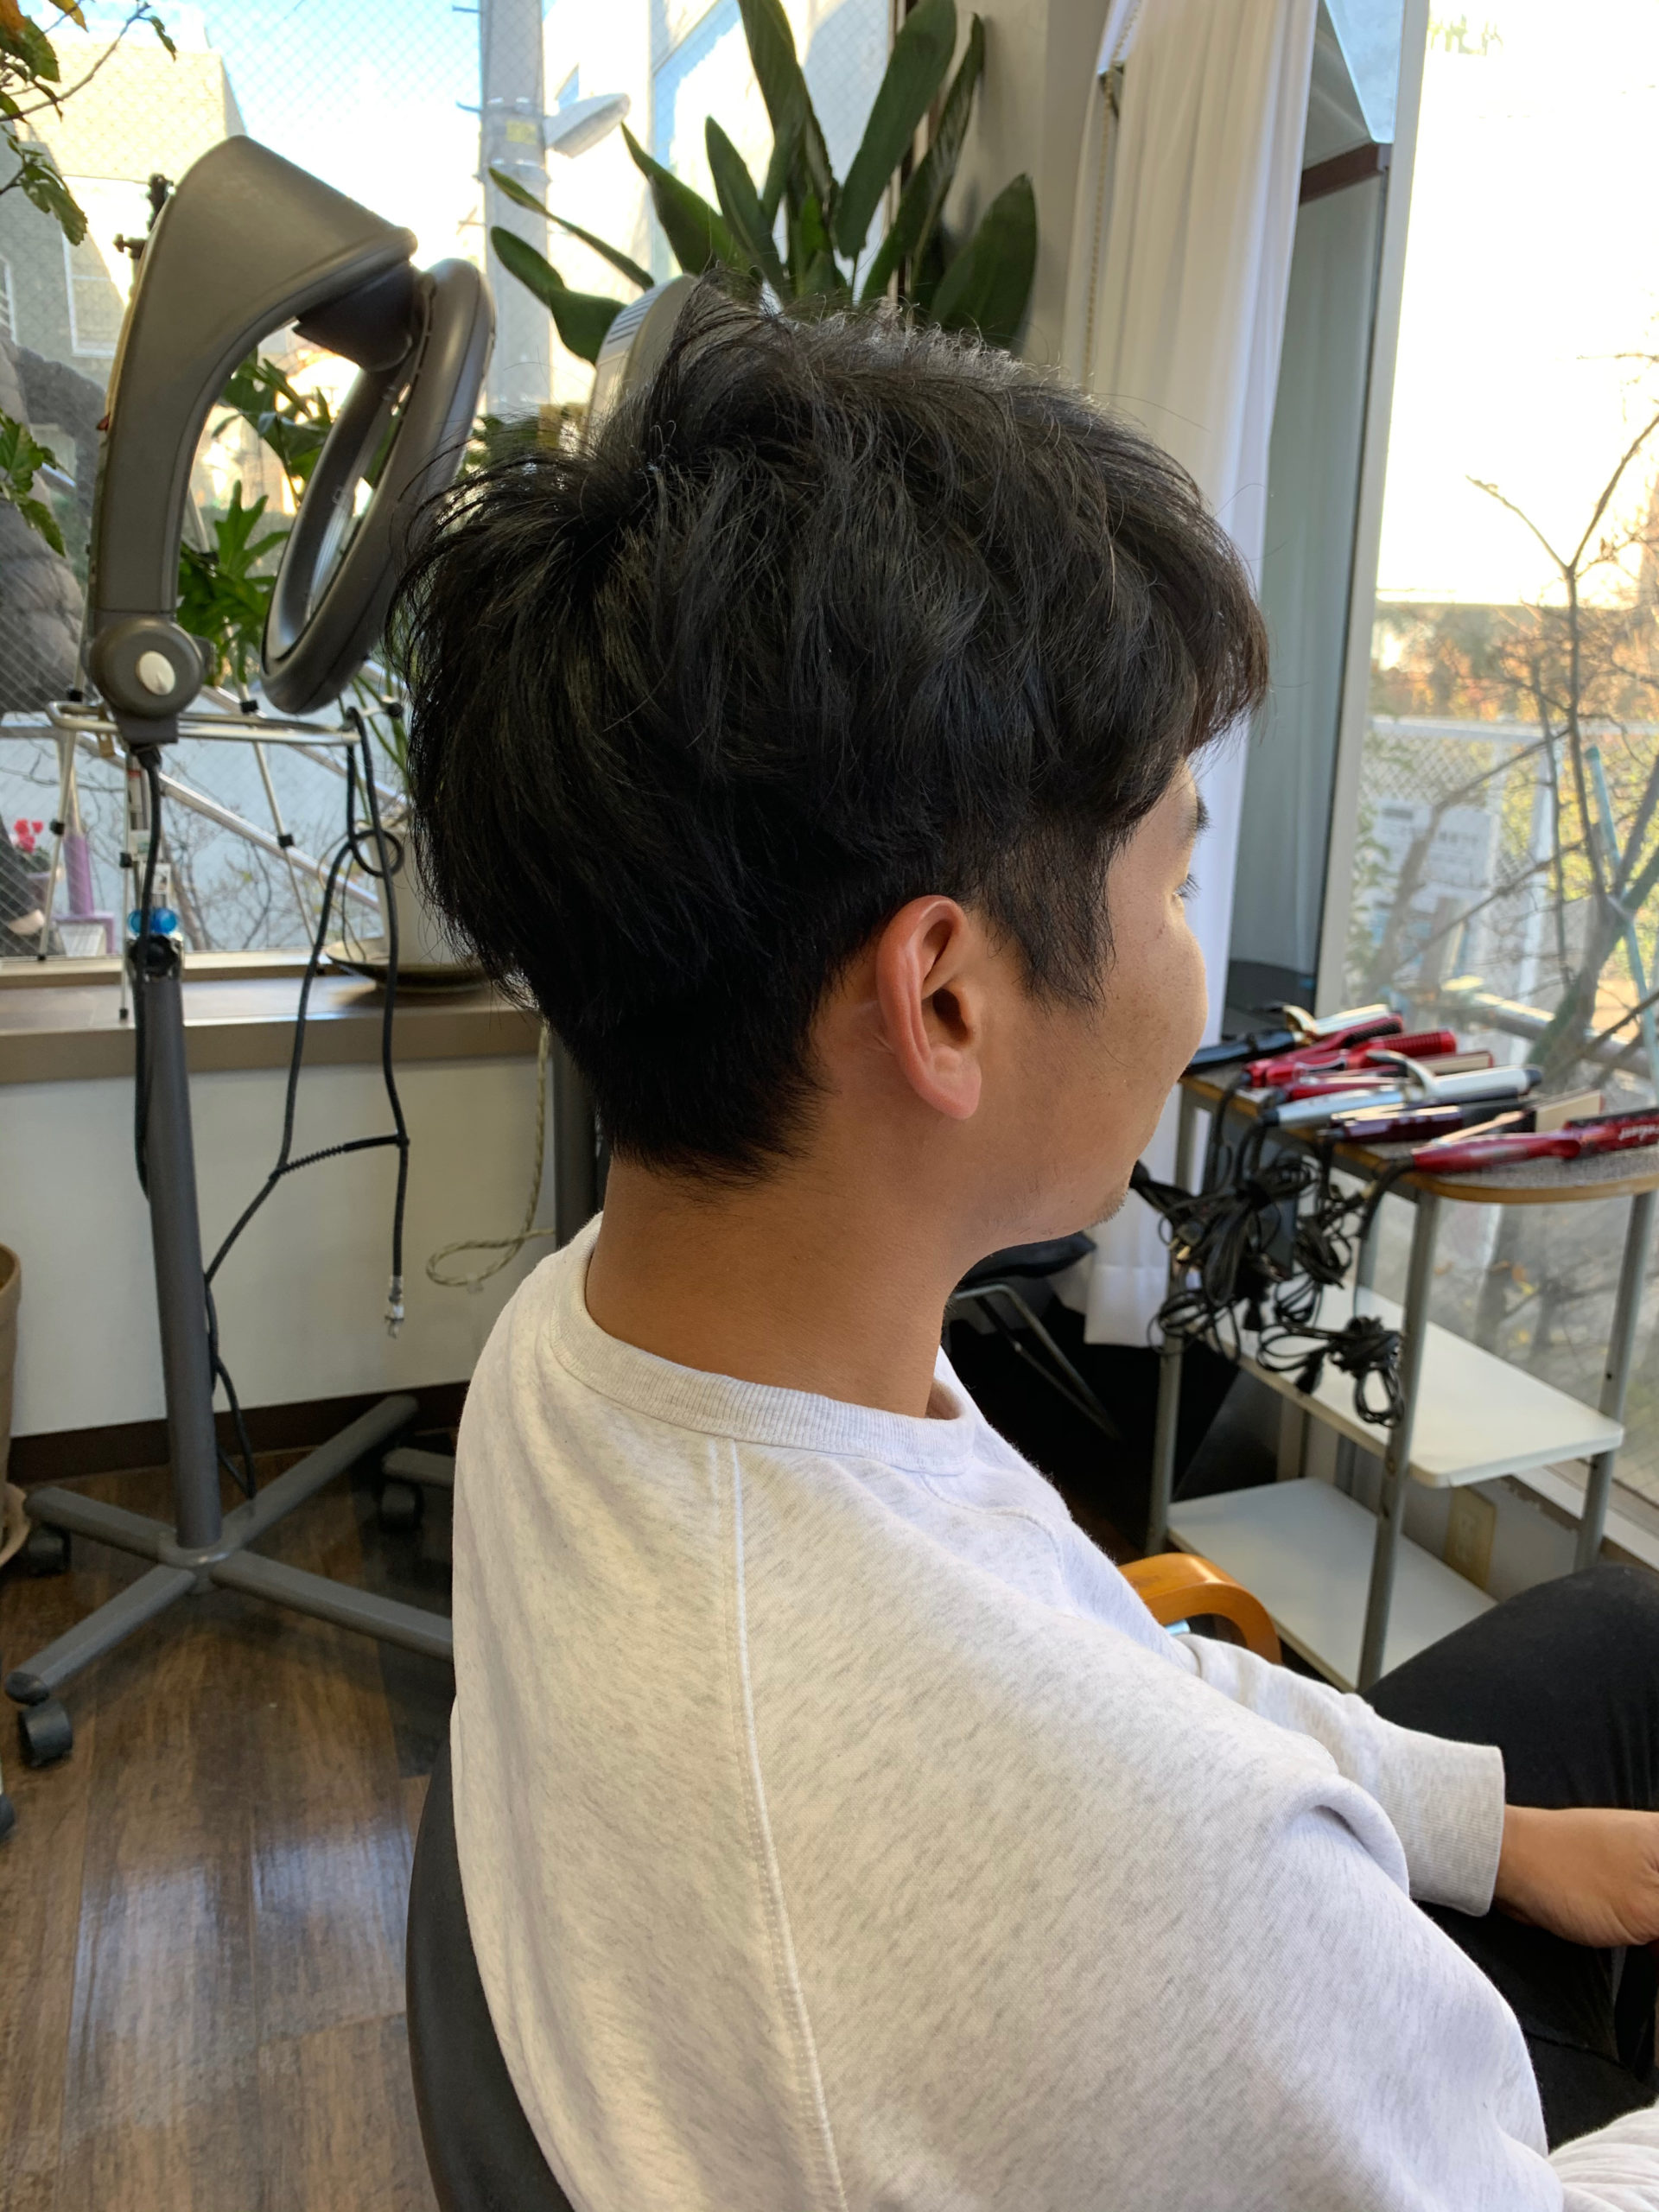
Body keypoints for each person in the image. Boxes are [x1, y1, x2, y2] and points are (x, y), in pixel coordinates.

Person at [395, 283, 1659, 2210]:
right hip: (1201, 2032)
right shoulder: (1179, 1899)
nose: (1196, 965)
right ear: (946, 999)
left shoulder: (572, 1349)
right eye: (1177, 869)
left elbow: (1097, 1647)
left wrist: (1490, 1834)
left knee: (1622, 1647)